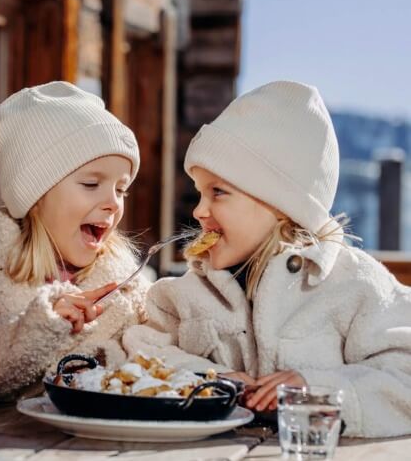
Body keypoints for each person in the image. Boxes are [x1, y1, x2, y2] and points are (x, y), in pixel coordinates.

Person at [123, 80, 411, 437]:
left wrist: (317, 389)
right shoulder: (188, 294)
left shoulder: (355, 284)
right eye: (199, 193)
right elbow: (141, 351)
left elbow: (404, 375)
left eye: (218, 192)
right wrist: (211, 379)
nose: (199, 210)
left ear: (281, 205)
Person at [0, 81, 149, 404]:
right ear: (35, 195)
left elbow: (164, 356)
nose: (112, 203)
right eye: (92, 184)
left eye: (121, 190)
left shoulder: (128, 284)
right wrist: (37, 328)